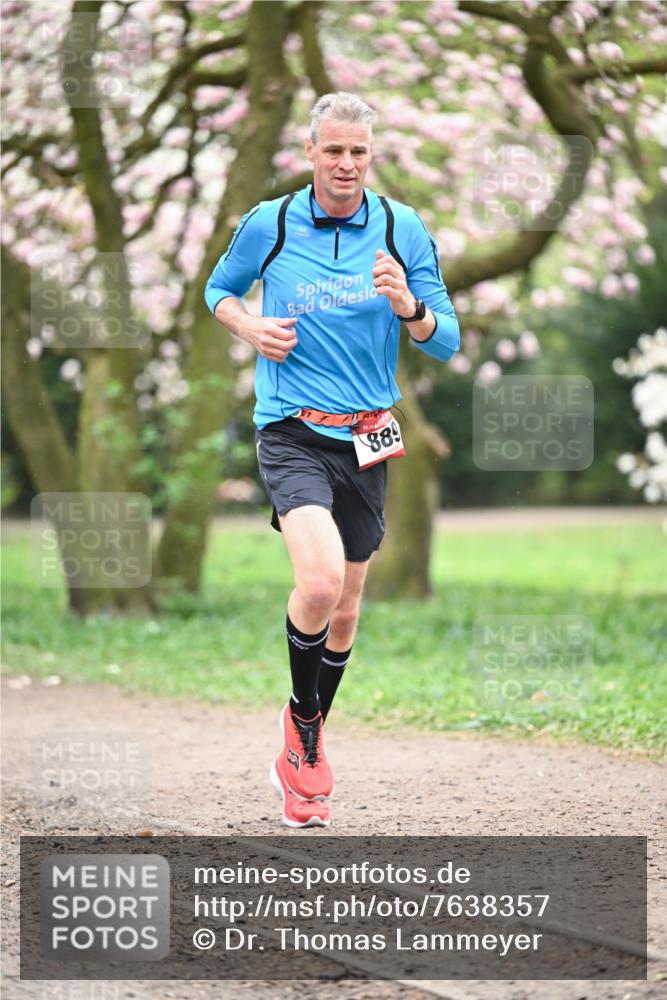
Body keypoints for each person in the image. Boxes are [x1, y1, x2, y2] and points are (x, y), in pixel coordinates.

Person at [205, 92, 460, 828]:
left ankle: (300, 743)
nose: (346, 164)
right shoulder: (272, 223)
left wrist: (409, 306)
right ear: (310, 153)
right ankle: (306, 726)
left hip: (369, 436)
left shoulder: (399, 226)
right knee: (316, 585)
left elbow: (444, 340)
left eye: (359, 152)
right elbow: (217, 291)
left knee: (347, 606)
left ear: (369, 157)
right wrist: (250, 325)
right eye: (333, 150)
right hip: (291, 430)